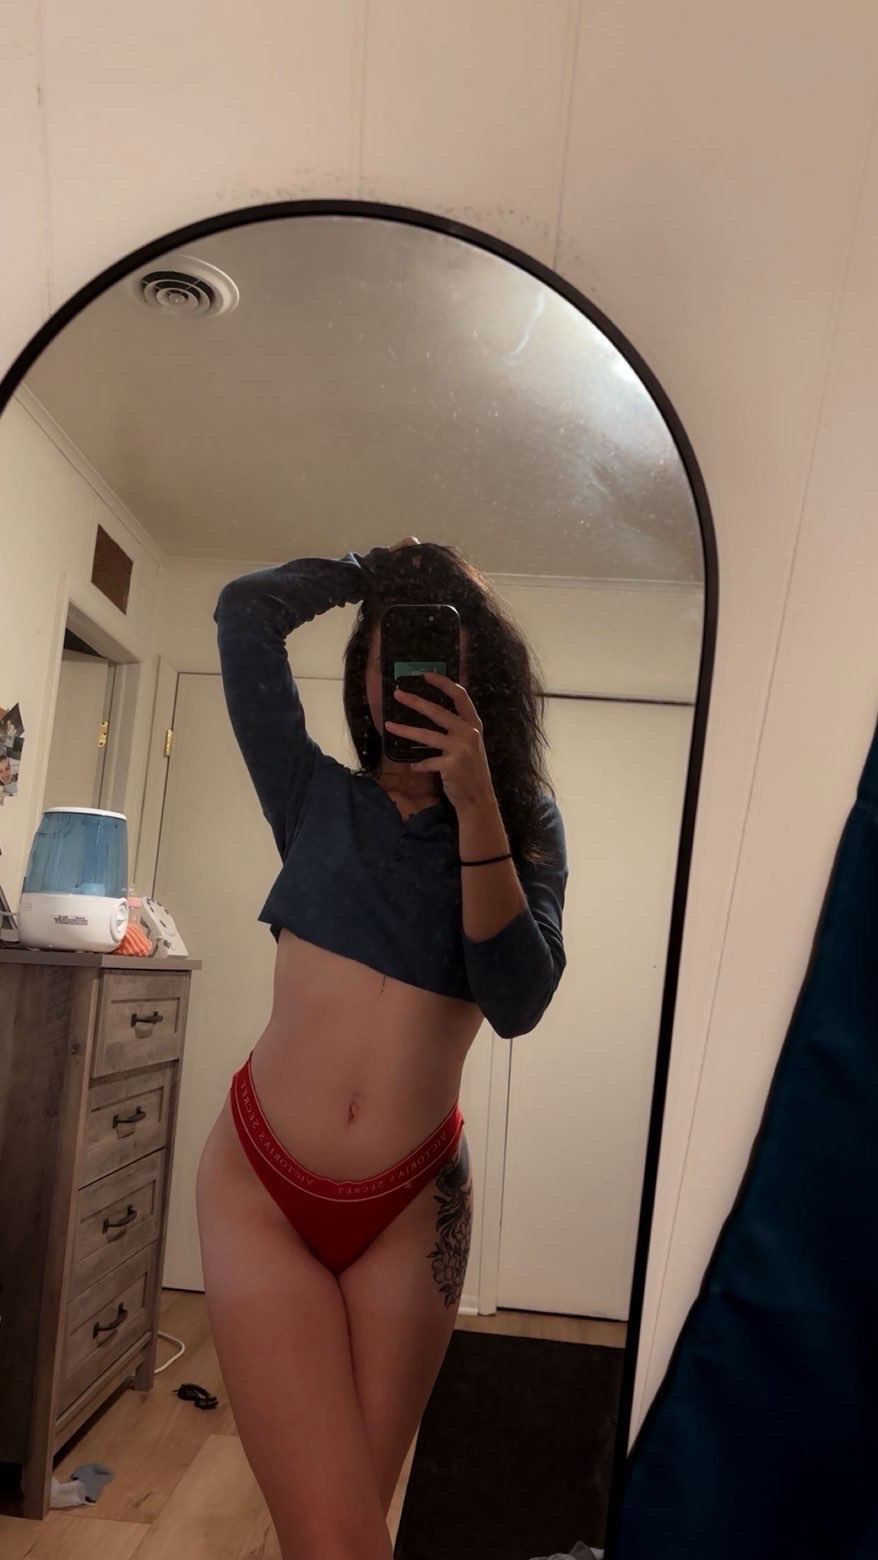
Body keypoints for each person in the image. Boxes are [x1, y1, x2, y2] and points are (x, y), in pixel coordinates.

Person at [196, 538, 568, 1560]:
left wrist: (477, 801)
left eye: (429, 644)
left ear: (475, 675)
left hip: (411, 1210)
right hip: (259, 1192)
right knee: (336, 1535)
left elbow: (516, 1000)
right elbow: (243, 610)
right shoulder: (313, 796)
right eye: (383, 646)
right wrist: (379, 570)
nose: (396, 669)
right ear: (363, 673)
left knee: (347, 1523)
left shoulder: (521, 823)